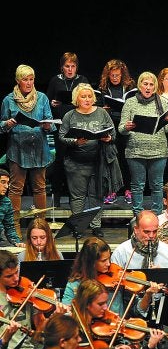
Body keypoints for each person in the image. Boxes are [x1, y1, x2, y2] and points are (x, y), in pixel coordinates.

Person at [59, 82, 122, 238]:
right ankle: (78, 227)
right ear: (77, 99)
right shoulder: (70, 115)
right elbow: (61, 136)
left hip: (98, 162)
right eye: (83, 96)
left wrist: (108, 138)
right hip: (75, 163)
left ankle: (96, 225)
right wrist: (75, 141)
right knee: (78, 197)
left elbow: (113, 134)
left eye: (89, 96)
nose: (87, 99)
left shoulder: (102, 113)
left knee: (96, 195)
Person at [0, 64, 56, 239]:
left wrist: (47, 125)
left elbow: (51, 123)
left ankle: (41, 227)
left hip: (39, 148)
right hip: (17, 149)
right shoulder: (9, 100)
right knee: (16, 188)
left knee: (40, 187)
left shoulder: (42, 98)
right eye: (25, 79)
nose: (29, 83)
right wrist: (8, 123)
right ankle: (14, 228)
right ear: (18, 80)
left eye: (31, 79)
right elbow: (1, 125)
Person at [119, 72, 168, 215]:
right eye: (145, 84)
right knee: (137, 186)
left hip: (158, 151)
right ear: (140, 85)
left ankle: (157, 216)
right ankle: (138, 216)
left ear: (155, 87)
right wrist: (127, 127)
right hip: (135, 151)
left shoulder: (161, 102)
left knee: (157, 185)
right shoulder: (130, 102)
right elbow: (121, 129)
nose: (148, 87)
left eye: (151, 84)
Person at [46, 52, 90, 207]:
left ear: (76, 67)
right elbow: (48, 101)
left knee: (76, 162)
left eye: (73, 66)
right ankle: (56, 196)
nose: (70, 70)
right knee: (60, 161)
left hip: (77, 126)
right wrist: (52, 103)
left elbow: (88, 100)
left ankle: (75, 198)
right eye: (67, 66)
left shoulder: (82, 80)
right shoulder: (55, 80)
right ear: (62, 67)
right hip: (60, 126)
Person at [111, 210, 168, 297]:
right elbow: (113, 284)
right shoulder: (121, 252)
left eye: (155, 231)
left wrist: (163, 276)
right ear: (136, 229)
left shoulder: (166, 250)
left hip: (160, 300)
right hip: (130, 301)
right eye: (146, 232)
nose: (151, 236)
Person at [97, 59, 137, 205]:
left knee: (127, 159)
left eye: (117, 75)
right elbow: (97, 106)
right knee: (112, 159)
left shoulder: (130, 87)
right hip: (110, 125)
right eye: (112, 75)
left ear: (122, 74)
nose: (114, 78)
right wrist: (103, 109)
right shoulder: (103, 88)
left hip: (126, 126)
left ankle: (128, 190)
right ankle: (112, 191)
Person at [0, 168, 24, 247]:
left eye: (7, 183)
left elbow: (9, 227)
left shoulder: (6, 202)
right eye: (3, 182)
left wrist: (16, 242)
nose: (6, 186)